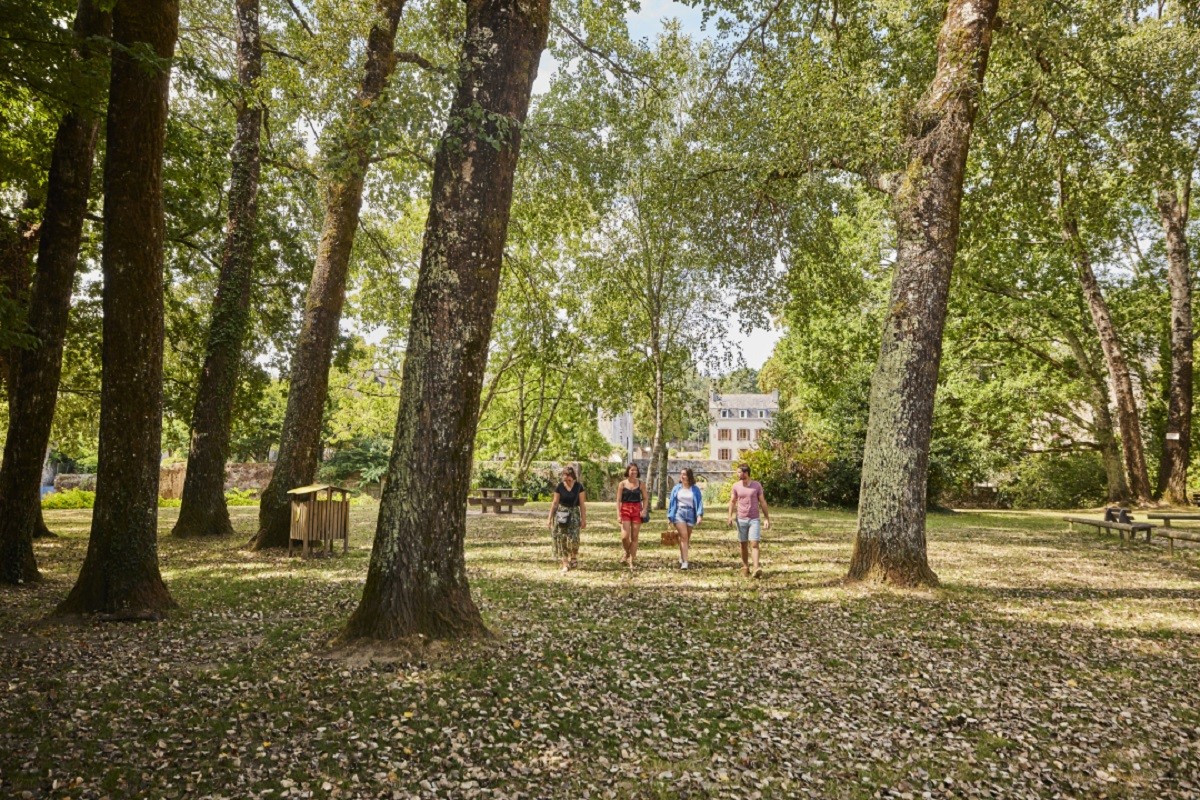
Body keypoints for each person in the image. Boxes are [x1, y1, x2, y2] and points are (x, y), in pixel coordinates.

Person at [727, 463, 770, 578]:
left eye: (739, 472)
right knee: (743, 544)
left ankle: (756, 568)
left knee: (754, 543)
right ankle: (745, 567)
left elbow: (763, 502)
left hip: (754, 519)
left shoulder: (756, 485)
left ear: (746, 473)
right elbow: (732, 501)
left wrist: (767, 518)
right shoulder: (736, 486)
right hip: (741, 519)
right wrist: (730, 516)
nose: (738, 474)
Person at [547, 466, 587, 572]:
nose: (566, 477)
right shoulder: (559, 486)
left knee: (574, 538)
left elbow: (582, 504)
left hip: (574, 514)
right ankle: (565, 562)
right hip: (561, 514)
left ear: (573, 475)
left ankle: (573, 556)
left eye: (568, 475)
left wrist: (584, 519)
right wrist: (549, 518)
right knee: (562, 538)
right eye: (564, 475)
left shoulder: (579, 487)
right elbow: (555, 503)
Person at [667, 468, 703, 570]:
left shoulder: (695, 489)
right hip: (679, 513)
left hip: (691, 514)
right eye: (681, 474)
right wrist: (670, 517)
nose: (682, 476)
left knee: (686, 538)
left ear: (689, 476)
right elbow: (671, 503)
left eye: (685, 474)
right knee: (683, 537)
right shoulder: (676, 488)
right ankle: (685, 562)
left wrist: (699, 515)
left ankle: (682, 555)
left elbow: (699, 502)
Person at [616, 463, 646, 571]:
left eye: (636, 470)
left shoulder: (641, 484)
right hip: (625, 509)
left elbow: (645, 498)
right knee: (624, 536)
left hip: (637, 509)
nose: (634, 472)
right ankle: (627, 553)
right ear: (628, 471)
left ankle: (631, 559)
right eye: (632, 470)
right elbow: (618, 500)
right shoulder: (622, 484)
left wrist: (644, 509)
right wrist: (618, 514)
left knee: (634, 536)